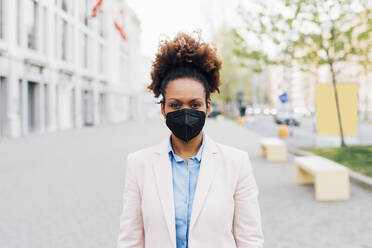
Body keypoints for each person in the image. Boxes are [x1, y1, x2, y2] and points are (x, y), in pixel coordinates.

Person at [117, 31, 264, 248]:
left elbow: (250, 240)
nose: (185, 112)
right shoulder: (139, 164)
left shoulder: (236, 163)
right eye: (176, 105)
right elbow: (130, 240)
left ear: (207, 107)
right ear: (163, 109)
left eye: (194, 105)